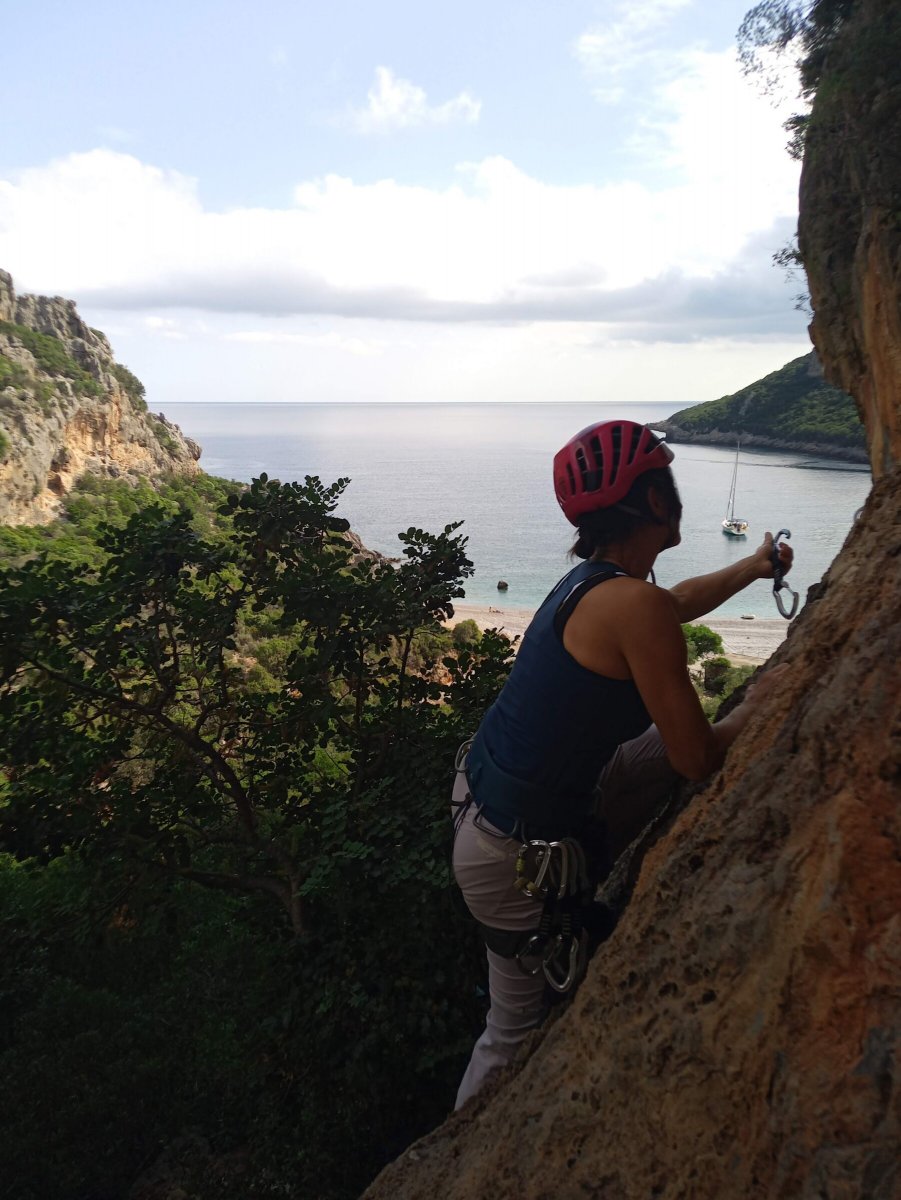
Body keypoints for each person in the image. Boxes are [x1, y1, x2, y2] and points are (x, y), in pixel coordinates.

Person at [452, 419, 791, 1108]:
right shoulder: (626, 602)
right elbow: (696, 757)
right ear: (656, 504)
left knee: (644, 754)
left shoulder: (592, 586)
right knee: (512, 1030)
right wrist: (763, 708)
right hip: (510, 849)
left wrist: (753, 567)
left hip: (496, 803)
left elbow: (674, 605)